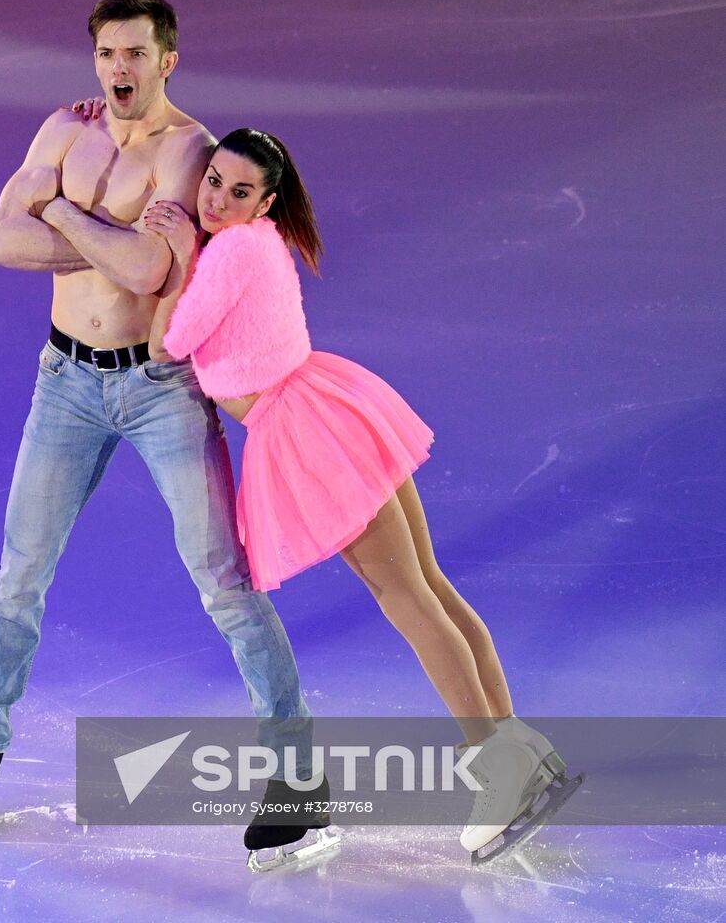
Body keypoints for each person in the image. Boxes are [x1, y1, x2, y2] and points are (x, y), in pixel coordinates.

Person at [0, 0, 325, 860]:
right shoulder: (62, 129)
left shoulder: (192, 151)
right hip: (65, 381)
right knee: (19, 571)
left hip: (160, 389)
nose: (120, 68)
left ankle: (299, 773)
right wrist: (107, 241)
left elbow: (151, 271)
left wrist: (60, 213)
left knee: (223, 578)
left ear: (167, 61)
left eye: (136, 54)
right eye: (108, 53)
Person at [129, 124, 576, 859]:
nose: (215, 200)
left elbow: (163, 345)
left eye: (238, 192)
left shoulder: (231, 250)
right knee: (426, 584)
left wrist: (179, 253)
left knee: (404, 595)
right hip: (329, 407)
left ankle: (496, 763)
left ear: (264, 202)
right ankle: (513, 742)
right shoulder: (255, 242)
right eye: (212, 182)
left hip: (305, 431)